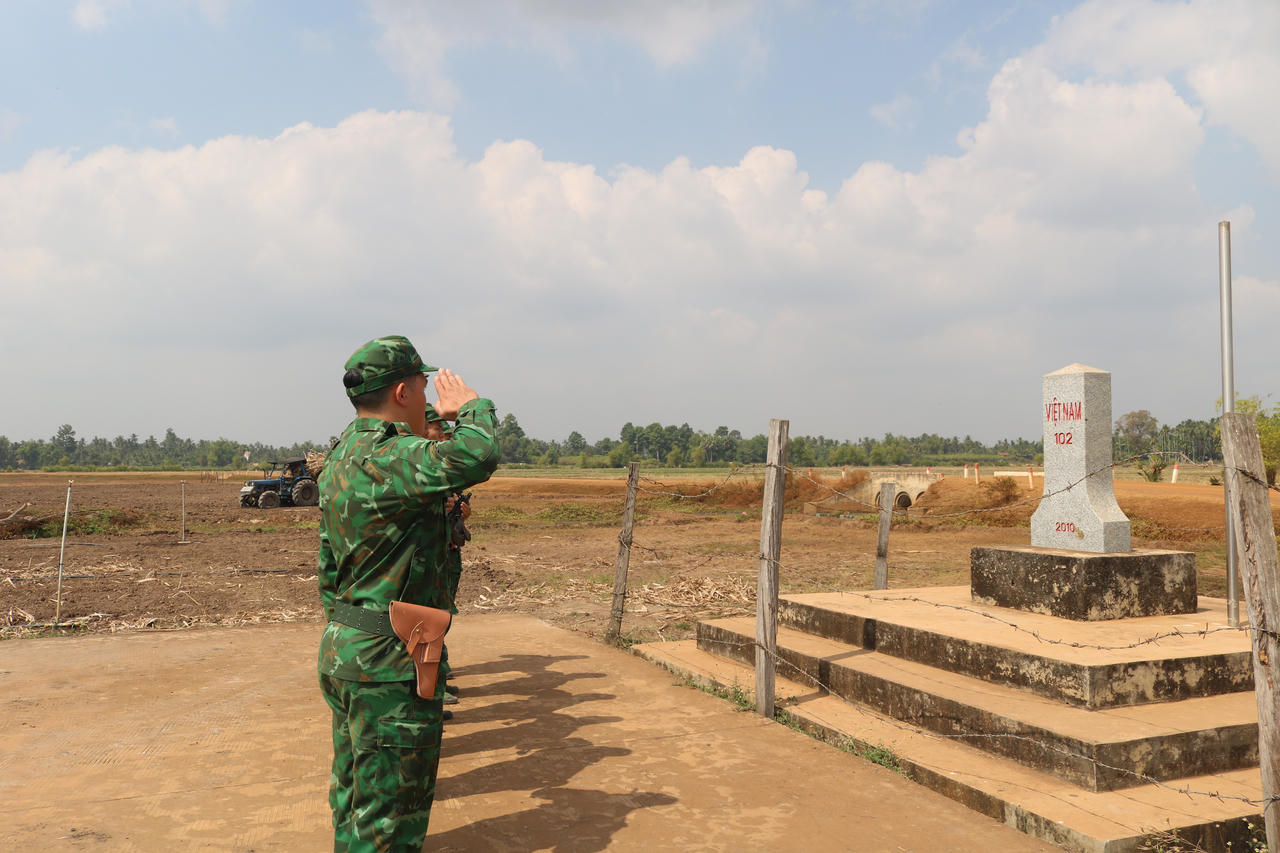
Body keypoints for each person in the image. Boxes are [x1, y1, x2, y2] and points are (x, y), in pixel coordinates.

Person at [317, 335, 500, 852]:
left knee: (355, 803)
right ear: (401, 392)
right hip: (390, 663)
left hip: (346, 647)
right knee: (389, 823)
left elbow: (328, 563)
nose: (428, 397)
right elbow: (478, 454)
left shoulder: (341, 456)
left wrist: (352, 631)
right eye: (423, 386)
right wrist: (471, 408)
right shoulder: (392, 455)